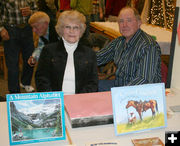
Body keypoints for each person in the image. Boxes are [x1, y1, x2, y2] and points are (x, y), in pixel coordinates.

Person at [96, 7, 161, 91]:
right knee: (89, 86)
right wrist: (77, 57)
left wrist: (120, 94)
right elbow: (98, 58)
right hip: (120, 86)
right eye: (121, 21)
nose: (124, 25)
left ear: (139, 23)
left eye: (129, 20)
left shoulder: (148, 46)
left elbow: (144, 80)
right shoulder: (119, 41)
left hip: (141, 94)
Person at [35, 10, 98, 94]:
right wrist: (54, 98)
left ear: (81, 30)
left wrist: (79, 99)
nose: (72, 31)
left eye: (76, 27)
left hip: (80, 101)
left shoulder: (90, 54)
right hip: (54, 100)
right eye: (67, 27)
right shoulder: (48, 51)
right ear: (61, 29)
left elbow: (93, 83)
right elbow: (41, 79)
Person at [0, 0, 37, 93]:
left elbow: (36, 11)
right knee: (12, 64)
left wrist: (31, 12)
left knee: (30, 59)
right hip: (10, 30)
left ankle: (26, 83)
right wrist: (1, 29)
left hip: (27, 29)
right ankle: (14, 92)